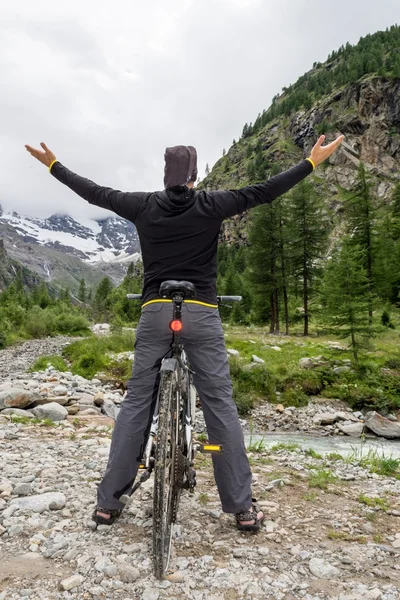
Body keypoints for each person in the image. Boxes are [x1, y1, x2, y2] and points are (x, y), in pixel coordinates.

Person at [25, 134, 344, 531]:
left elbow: (94, 193)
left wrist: (54, 165)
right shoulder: (212, 204)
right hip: (203, 311)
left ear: (165, 176)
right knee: (220, 405)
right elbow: (264, 192)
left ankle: (108, 504)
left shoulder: (142, 204)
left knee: (138, 402)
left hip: (156, 310)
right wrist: (310, 163)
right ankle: (243, 509)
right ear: (193, 176)